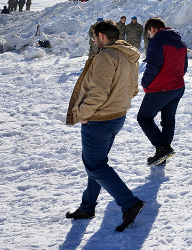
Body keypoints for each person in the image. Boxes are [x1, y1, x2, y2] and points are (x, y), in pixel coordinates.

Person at [64, 20, 145, 231]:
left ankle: (129, 203)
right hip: (117, 116)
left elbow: (98, 92)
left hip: (98, 119)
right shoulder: (129, 55)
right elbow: (134, 89)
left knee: (95, 165)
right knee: (96, 164)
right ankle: (87, 206)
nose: (93, 40)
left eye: (93, 36)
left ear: (101, 36)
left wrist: (82, 113)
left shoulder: (106, 56)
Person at [138, 17, 188, 167]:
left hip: (162, 88)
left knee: (144, 118)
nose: (149, 37)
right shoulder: (180, 42)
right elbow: (183, 67)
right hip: (177, 87)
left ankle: (163, 148)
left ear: (152, 29)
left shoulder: (157, 40)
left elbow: (153, 66)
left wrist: (145, 83)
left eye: (148, 34)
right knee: (168, 120)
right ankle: (162, 155)